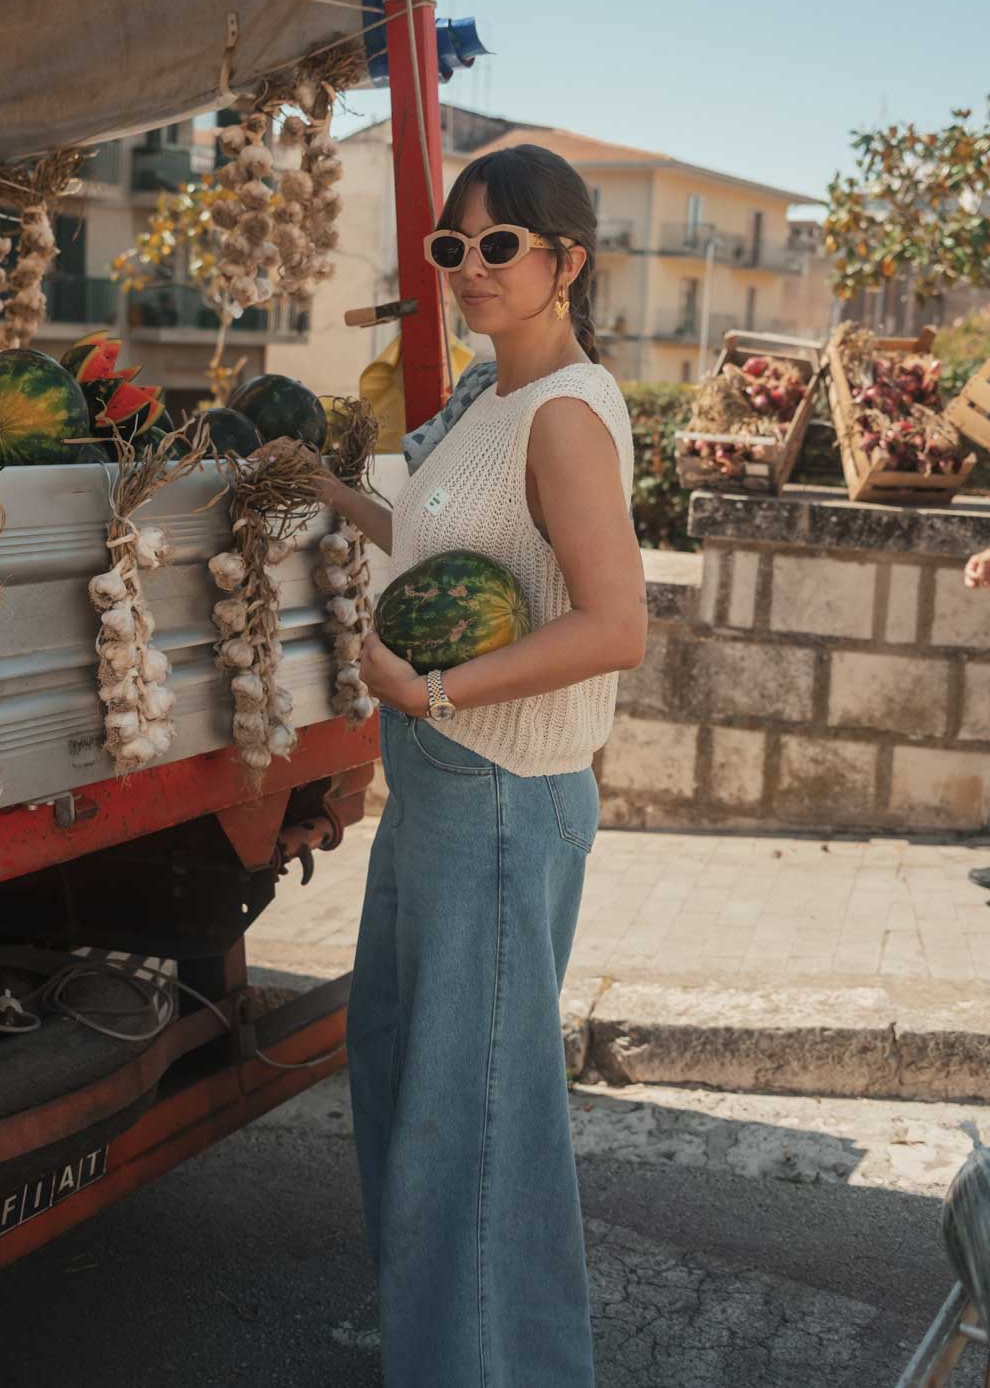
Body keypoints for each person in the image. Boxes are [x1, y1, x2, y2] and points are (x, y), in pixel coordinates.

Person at [317, 143, 647, 1387]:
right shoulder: (486, 398)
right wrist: (324, 494)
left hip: (501, 802)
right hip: (442, 790)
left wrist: (437, 686)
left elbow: (617, 626)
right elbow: (428, 526)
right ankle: (441, 1346)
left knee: (479, 1125)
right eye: (453, 247)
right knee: (407, 1080)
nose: (469, 268)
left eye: (499, 246)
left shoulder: (563, 413)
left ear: (567, 260)